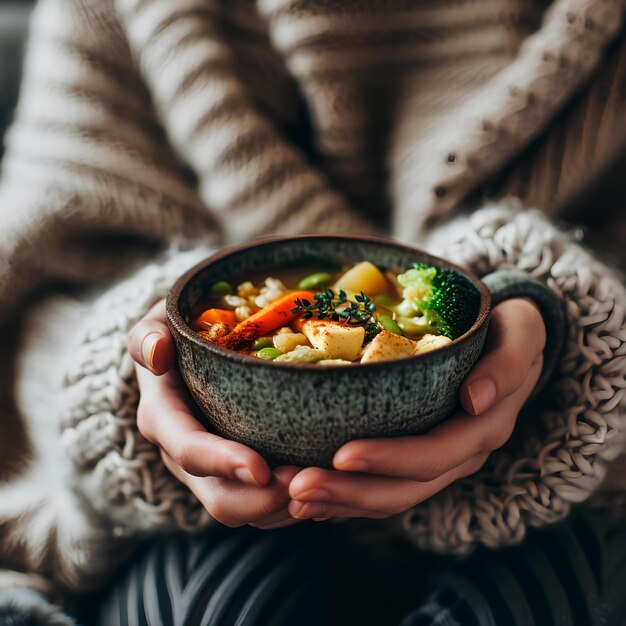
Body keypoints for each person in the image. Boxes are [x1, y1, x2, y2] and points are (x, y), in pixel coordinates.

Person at [0, 0, 625, 623]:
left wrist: (563, 332)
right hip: (196, 533)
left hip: (565, 509)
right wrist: (127, 388)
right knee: (208, 603)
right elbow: (39, 284)